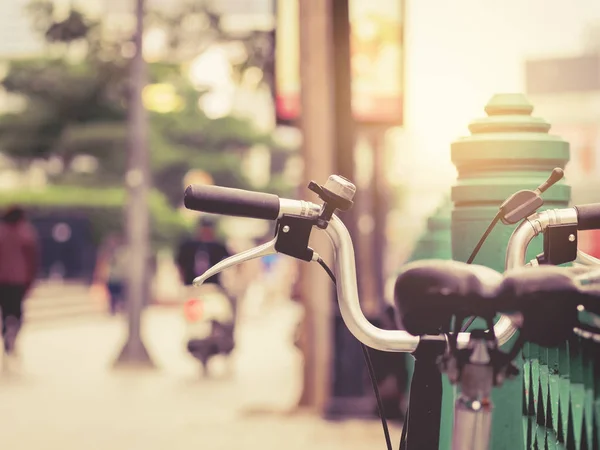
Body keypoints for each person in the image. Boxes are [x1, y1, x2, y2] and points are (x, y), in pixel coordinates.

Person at [0, 206, 39, 358]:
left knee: (5, 312)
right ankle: (12, 336)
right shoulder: (26, 233)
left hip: (2, 280)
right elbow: (33, 259)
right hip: (18, 279)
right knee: (17, 312)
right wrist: (31, 279)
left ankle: (6, 337)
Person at [94, 233, 128, 315]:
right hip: (111, 277)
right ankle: (113, 308)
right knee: (113, 294)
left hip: (117, 278)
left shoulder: (120, 253)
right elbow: (102, 264)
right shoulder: (107, 253)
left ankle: (116, 307)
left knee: (118, 294)